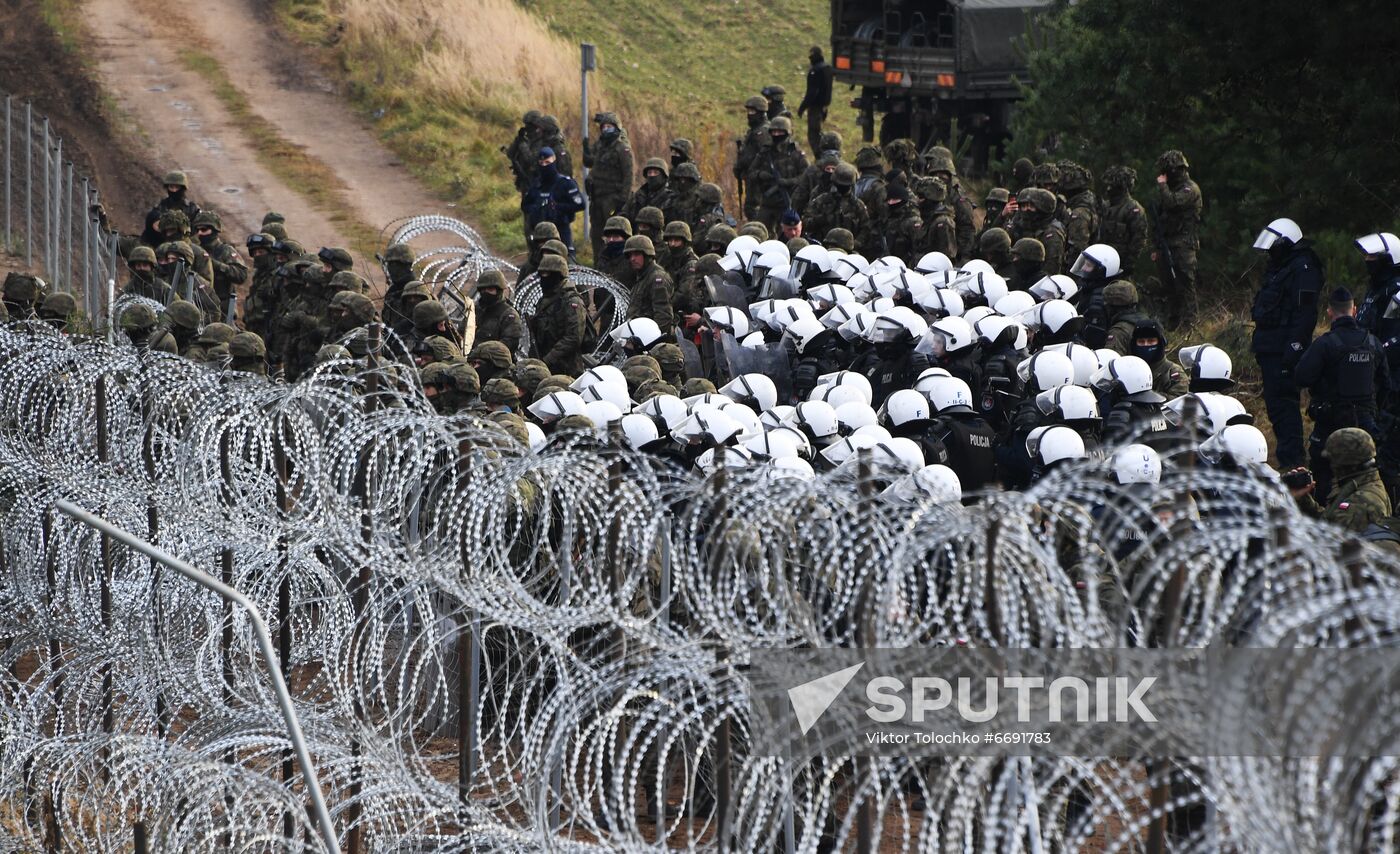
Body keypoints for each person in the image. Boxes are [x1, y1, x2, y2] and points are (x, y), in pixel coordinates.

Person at [1295, 287, 1388, 499]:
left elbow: (1301, 377)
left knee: (1323, 476)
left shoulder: (1325, 344)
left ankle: (1325, 520)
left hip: (1330, 424)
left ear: (1329, 312)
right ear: (1354, 310)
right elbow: (1386, 384)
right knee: (1370, 478)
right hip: (1367, 426)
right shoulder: (1373, 343)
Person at [1250, 217, 1323, 469]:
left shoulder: (1303, 268)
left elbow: (1305, 315)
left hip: (1284, 351)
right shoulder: (1281, 267)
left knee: (1285, 407)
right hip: (1270, 349)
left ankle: (1293, 463)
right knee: (1276, 408)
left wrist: (1293, 350)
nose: (1270, 251)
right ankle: (1288, 459)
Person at [1289, 428, 1392, 532]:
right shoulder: (1361, 484)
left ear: (1343, 462)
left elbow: (1329, 541)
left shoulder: (1358, 503)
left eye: (1331, 459)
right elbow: (1330, 521)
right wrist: (1304, 500)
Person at [1150, 149, 1203, 326]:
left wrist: (1163, 186)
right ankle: (1173, 322)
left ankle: (1191, 324)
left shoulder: (1190, 189)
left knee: (1185, 284)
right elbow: (1159, 221)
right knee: (1168, 285)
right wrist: (1155, 247)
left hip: (1184, 245)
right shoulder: (1171, 190)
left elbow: (1173, 203)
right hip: (1167, 244)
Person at [583, 111, 634, 259]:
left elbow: (628, 177)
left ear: (616, 128)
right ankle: (599, 266)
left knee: (614, 234)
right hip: (597, 198)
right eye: (603, 127)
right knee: (597, 235)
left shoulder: (622, 149)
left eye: (609, 126)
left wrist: (622, 202)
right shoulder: (601, 147)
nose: (606, 130)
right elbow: (592, 164)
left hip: (613, 199)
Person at [528, 254, 587, 375]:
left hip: (567, 369)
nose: (544, 279)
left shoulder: (571, 301)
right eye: (542, 275)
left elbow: (573, 337)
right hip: (546, 365)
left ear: (559, 275)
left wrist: (548, 359)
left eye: (548, 275)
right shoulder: (545, 301)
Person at [747, 116, 808, 233]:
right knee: (758, 230)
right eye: (774, 132)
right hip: (768, 202)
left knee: (789, 233)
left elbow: (805, 176)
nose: (776, 135)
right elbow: (751, 172)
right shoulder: (765, 152)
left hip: (789, 201)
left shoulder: (796, 153)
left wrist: (788, 182)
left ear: (787, 132)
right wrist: (761, 174)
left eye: (780, 132)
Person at [522, 147, 585, 260]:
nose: (544, 166)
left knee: (567, 263)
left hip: (561, 231)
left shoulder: (565, 183)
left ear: (554, 160)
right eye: (541, 163)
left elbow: (580, 204)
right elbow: (525, 205)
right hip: (539, 233)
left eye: (547, 162)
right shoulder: (536, 184)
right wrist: (537, 208)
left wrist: (558, 207)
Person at [192, 211, 247, 313]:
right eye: (197, 230)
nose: (199, 233)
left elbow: (241, 274)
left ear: (215, 230)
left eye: (204, 229)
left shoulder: (225, 250)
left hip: (223, 308)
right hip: (200, 306)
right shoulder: (196, 251)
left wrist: (216, 265)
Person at [1098, 166, 1148, 279]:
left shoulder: (1133, 209)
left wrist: (1129, 264)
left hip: (1121, 265)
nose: (1108, 189)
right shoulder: (1105, 206)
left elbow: (1139, 240)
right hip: (1101, 261)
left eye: (1112, 186)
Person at [805, 164, 869, 250]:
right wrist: (821, 219)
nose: (842, 188)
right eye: (840, 185)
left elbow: (866, 228)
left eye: (845, 186)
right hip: (824, 248)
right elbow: (806, 223)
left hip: (849, 251)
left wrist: (855, 244)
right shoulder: (822, 201)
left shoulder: (857, 205)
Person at [622, 235, 675, 332]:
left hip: (651, 339)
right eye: (630, 255)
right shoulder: (642, 278)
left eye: (637, 254)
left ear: (647, 255)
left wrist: (652, 339)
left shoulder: (657, 279)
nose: (632, 259)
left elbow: (663, 317)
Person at [734, 96, 771, 221]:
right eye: (748, 111)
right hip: (751, 177)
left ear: (761, 113)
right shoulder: (754, 131)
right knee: (750, 208)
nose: (749, 115)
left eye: (752, 112)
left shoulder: (763, 132)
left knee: (754, 209)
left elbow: (764, 155)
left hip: (759, 180)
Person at [798, 46, 835, 154]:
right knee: (819, 132)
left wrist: (802, 107)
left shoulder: (815, 71)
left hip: (815, 107)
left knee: (814, 136)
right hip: (824, 106)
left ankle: (821, 158)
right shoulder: (828, 68)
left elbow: (812, 92)